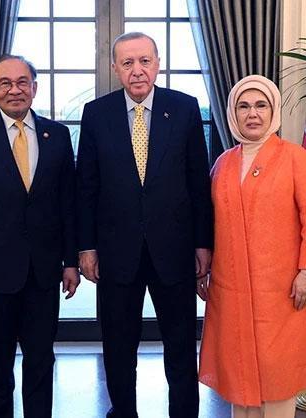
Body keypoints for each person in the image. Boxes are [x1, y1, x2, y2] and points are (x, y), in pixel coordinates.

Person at [76, 32, 213, 418]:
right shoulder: (96, 113)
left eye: (144, 61)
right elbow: (86, 187)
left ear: (157, 64)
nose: (137, 70)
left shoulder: (184, 108)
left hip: (175, 250)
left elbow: (198, 183)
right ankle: (123, 412)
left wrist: (203, 244)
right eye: (127, 63)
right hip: (116, 252)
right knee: (118, 346)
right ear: (115, 68)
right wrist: (86, 247)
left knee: (180, 345)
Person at [197, 75, 306, 418]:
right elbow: (211, 225)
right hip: (231, 289)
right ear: (233, 113)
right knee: (239, 373)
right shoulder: (222, 164)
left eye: (261, 105)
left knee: (277, 375)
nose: (253, 114)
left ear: (273, 110)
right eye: (244, 106)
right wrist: (206, 269)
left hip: (282, 291)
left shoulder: (295, 158)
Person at [0, 54, 79, 418]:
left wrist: (70, 262)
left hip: (43, 271)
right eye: (5, 83)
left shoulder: (58, 136)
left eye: (22, 82)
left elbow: (68, 205)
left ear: (34, 88)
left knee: (41, 359)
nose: (14, 90)